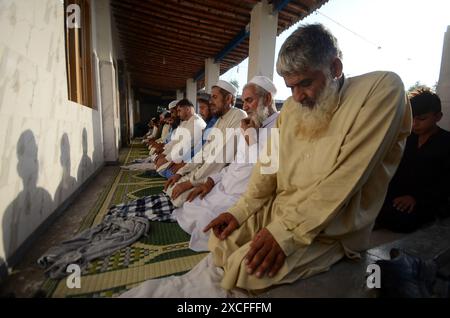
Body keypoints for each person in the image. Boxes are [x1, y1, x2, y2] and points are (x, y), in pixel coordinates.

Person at [120, 23, 411, 297]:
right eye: (291, 87)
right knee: (221, 245)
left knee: (246, 270)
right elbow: (268, 167)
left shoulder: (381, 90)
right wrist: (240, 211)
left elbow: (345, 179)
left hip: (331, 228)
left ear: (334, 67)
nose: (297, 97)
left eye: (305, 84)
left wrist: (284, 234)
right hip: (280, 209)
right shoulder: (293, 110)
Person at [174, 76, 279, 252]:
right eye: (243, 101)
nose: (244, 107)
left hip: (243, 196)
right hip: (224, 186)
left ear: (267, 99)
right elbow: (235, 164)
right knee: (190, 203)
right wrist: (212, 180)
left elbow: (267, 170)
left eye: (249, 101)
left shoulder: (279, 126)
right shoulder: (250, 124)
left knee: (205, 222)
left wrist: (250, 137)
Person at [376, 88, 450, 233]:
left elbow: (446, 183)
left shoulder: (446, 142)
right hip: (397, 195)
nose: (415, 124)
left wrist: (416, 198)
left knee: (404, 220)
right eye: (411, 118)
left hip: (426, 200)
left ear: (438, 117)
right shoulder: (405, 138)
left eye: (421, 119)